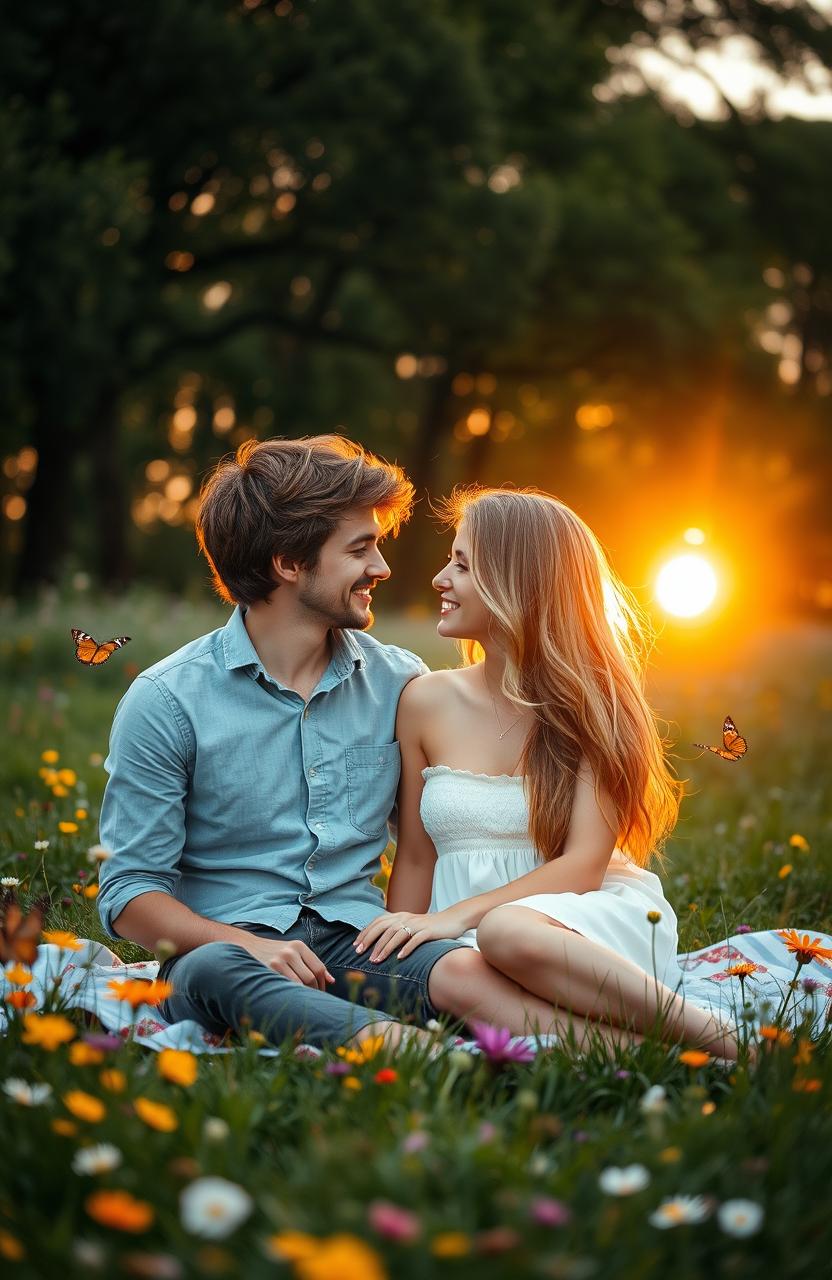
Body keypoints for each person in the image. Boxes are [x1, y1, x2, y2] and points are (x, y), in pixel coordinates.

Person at [96, 438, 589, 1053]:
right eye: (360, 549)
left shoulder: (400, 684)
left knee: (461, 968)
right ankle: (409, 1051)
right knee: (215, 972)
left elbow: (433, 835)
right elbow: (128, 892)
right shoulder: (167, 700)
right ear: (288, 563)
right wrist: (250, 944)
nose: (381, 568)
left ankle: (615, 1053)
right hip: (228, 948)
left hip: (355, 943)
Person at [353, 486, 742, 1059]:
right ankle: (649, 1055)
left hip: (578, 930)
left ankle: (724, 1040)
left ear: (519, 584)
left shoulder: (597, 704)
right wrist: (399, 941)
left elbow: (584, 866)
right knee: (468, 968)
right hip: (463, 938)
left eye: (461, 564)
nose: (440, 579)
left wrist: (458, 918)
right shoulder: (424, 701)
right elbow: (415, 855)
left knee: (508, 930)